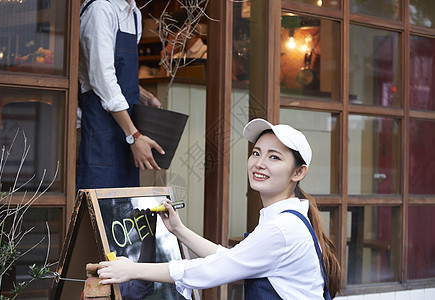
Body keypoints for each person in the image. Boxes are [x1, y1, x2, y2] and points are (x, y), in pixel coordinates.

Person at [97, 118, 341, 299]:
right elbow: (231, 259)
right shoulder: (286, 220)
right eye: (256, 153)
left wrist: (132, 269)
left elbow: (214, 270)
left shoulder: (282, 229)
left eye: (274, 157)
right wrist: (179, 230)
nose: (259, 163)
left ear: (298, 172)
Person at [77, 0, 165, 190]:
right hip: (100, 130)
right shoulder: (100, 9)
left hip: (124, 130)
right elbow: (102, 79)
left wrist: (144, 95)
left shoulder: (134, 14)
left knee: (123, 209)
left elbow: (117, 74)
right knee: (95, 207)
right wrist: (133, 135)